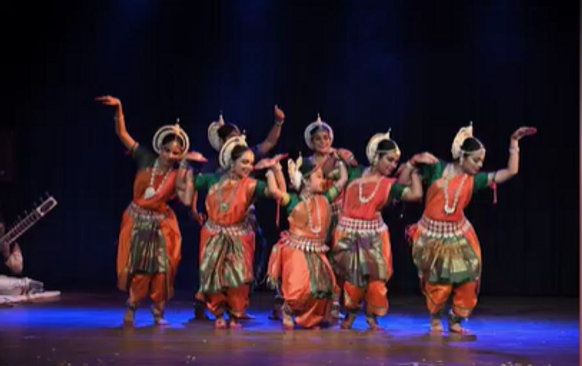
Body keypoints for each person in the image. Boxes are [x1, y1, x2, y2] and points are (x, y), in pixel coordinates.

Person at [400, 123, 536, 335]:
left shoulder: (474, 180)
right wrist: (412, 162)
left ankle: (456, 319)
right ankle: (435, 318)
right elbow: (402, 182)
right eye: (476, 160)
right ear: (461, 157)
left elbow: (510, 171)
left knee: (468, 277)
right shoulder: (436, 169)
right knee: (438, 280)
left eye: (482, 160)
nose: (480, 165)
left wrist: (514, 142)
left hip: (458, 233)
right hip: (431, 234)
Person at [95, 95, 208, 326]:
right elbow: (122, 135)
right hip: (137, 221)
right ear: (160, 149)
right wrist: (119, 108)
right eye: (167, 150)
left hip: (163, 224)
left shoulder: (179, 173)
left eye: (176, 153)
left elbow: (186, 201)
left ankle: (159, 311)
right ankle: (132, 306)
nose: (170, 155)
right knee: (140, 268)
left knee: (164, 268)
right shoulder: (145, 157)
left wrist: (189, 172)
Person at [331, 131, 438, 330]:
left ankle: (372, 317)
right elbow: (329, 174)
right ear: (376, 157)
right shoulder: (354, 172)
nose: (392, 165)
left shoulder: (390, 185)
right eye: (389, 160)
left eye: (396, 162)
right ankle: (351, 314)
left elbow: (415, 194)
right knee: (353, 280)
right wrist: (337, 154)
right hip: (348, 234)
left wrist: (412, 167)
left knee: (376, 280)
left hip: (374, 237)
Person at [193, 108, 285, 321]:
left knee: (242, 266)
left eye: (238, 136)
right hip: (218, 222)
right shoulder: (214, 166)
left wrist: (278, 123)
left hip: (243, 220)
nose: (238, 139)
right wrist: (195, 210)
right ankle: (206, 301)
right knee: (215, 263)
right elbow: (196, 186)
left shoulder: (248, 155)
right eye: (232, 137)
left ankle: (237, 305)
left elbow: (268, 144)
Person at [265, 155, 347, 330]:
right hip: (296, 249)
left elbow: (343, 180)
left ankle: (310, 319)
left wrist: (340, 162)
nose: (323, 180)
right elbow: (273, 191)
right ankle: (287, 310)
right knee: (299, 288)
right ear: (306, 181)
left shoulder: (325, 199)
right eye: (319, 177)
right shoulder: (293, 201)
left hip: (317, 249)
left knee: (324, 286)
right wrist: (270, 171)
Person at [302, 114, 358, 319]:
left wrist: (344, 158)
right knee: (315, 257)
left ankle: (336, 302)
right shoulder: (306, 162)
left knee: (339, 258)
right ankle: (312, 300)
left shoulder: (341, 157)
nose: (323, 142)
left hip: (338, 214)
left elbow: (354, 174)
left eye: (326, 138)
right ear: (311, 142)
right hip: (315, 214)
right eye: (318, 139)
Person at [0, 217, 60, 306]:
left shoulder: (12, 244)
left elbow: (18, 269)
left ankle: (29, 286)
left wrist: (7, 255)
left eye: (1, 228)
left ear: (4, 227)